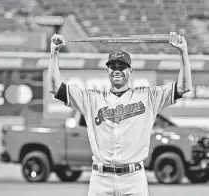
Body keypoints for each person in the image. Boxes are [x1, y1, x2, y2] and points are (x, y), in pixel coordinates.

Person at [48, 32, 192, 196]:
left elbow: (183, 87)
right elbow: (55, 87)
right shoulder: (91, 99)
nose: (117, 70)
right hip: (100, 179)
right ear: (107, 71)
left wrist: (183, 52)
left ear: (130, 71)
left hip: (134, 178)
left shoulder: (148, 96)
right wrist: (54, 52)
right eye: (113, 67)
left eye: (122, 67)